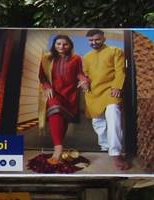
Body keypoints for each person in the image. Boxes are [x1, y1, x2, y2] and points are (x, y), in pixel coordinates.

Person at [38, 34, 90, 166]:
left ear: (70, 45)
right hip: (54, 93)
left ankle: (59, 148)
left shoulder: (76, 58)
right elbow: (42, 76)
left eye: (65, 44)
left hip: (70, 93)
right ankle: (58, 150)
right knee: (55, 112)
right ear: (54, 45)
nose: (61, 47)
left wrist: (83, 81)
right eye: (58, 44)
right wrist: (47, 86)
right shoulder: (46, 58)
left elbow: (79, 73)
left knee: (63, 119)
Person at [82, 29, 130, 171]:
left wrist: (117, 86)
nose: (94, 42)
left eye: (97, 39)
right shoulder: (86, 57)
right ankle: (105, 147)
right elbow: (85, 74)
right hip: (93, 92)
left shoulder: (115, 51)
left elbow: (120, 71)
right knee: (98, 122)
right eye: (90, 40)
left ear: (104, 38)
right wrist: (84, 82)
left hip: (110, 90)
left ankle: (116, 153)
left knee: (113, 115)